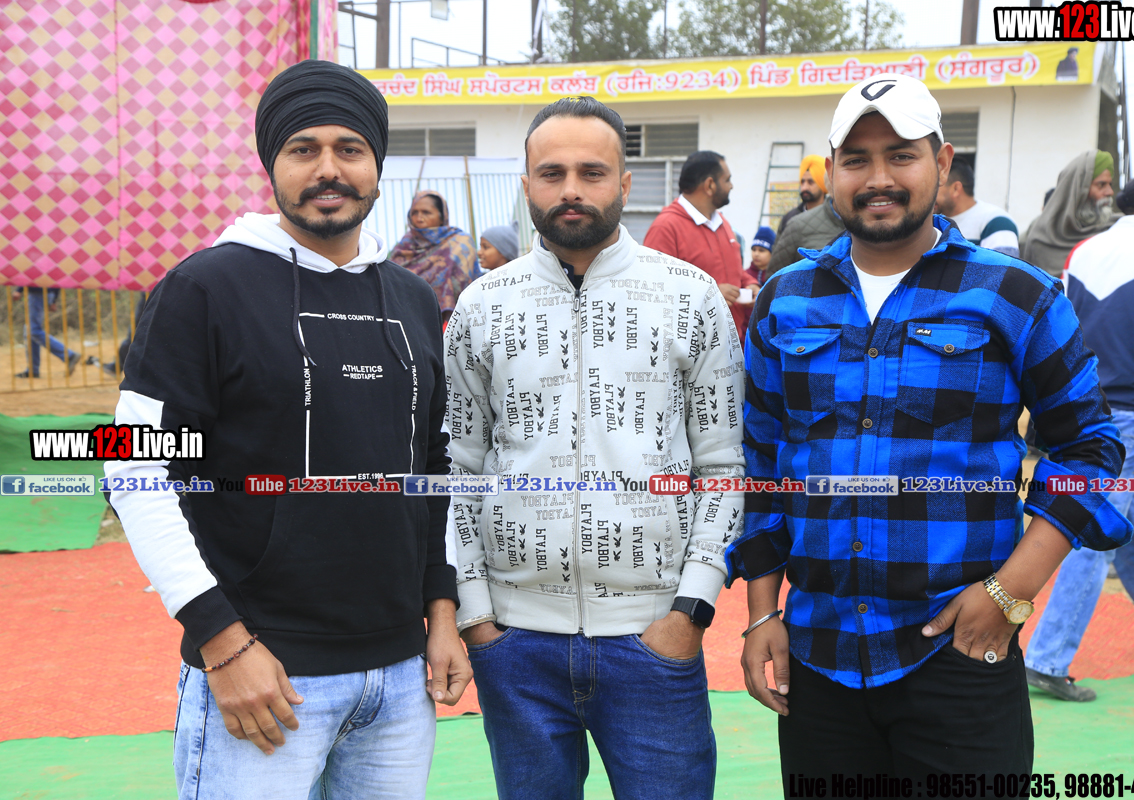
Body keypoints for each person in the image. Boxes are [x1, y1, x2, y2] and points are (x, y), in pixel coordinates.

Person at [727, 74, 1130, 786]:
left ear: (941, 164)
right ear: (833, 171)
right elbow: (760, 461)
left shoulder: (1015, 294)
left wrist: (1009, 594)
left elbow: (1088, 448)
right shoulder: (787, 300)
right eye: (857, 159)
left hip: (960, 654)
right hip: (819, 661)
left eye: (901, 155)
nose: (878, 178)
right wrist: (763, 614)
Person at [105, 60, 470, 799]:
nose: (328, 169)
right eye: (304, 149)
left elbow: (435, 463)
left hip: (400, 682)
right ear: (272, 164)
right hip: (263, 675)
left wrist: (441, 609)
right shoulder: (202, 288)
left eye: (349, 149)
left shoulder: (410, 297)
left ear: (376, 165)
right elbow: (131, 466)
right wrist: (220, 639)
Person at [445, 96, 745, 800]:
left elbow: (724, 467)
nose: (571, 189)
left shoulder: (690, 296)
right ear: (527, 185)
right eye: (552, 173)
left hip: (654, 640)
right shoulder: (482, 305)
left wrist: (690, 612)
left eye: (592, 172)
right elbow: (456, 467)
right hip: (515, 647)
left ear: (625, 184)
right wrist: (477, 617)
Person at [1024, 165, 1134, 702]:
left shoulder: (1085, 249)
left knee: (1125, 522)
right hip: (1128, 412)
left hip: (1075, 407)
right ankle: (1047, 659)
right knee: (1091, 531)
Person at [642, 150, 757, 342]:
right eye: (727, 180)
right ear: (710, 185)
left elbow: (734, 270)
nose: (731, 186)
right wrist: (709, 295)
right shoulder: (666, 227)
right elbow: (652, 292)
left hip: (730, 342)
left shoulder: (721, 222)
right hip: (690, 348)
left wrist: (749, 284)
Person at [390, 189, 481, 323]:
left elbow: (467, 286)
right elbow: (392, 284)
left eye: (426, 212)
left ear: (441, 216)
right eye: (414, 213)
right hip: (409, 319)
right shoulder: (404, 246)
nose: (419, 218)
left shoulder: (460, 243)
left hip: (453, 322)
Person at [1021, 149, 1117, 277]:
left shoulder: (1117, 230)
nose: (1110, 192)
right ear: (1078, 189)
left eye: (1110, 184)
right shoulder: (1042, 238)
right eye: (1101, 184)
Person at [935, 157, 1020, 257]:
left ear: (956, 189)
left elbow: (1003, 266)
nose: (928, 195)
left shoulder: (997, 223)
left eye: (935, 187)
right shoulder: (931, 224)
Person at [765, 192, 847, 279]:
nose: (804, 188)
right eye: (802, 184)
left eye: (811, 184)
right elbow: (776, 273)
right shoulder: (796, 222)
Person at [12, 287, 81, 378]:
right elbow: (56, 280)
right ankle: (33, 370)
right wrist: (53, 299)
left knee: (34, 331)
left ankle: (69, 356)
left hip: (37, 293)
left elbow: (30, 277)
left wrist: (19, 290)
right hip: (46, 292)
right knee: (29, 331)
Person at [775, 154, 829, 234]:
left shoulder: (835, 217)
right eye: (802, 182)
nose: (804, 188)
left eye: (810, 182)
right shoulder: (789, 218)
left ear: (822, 184)